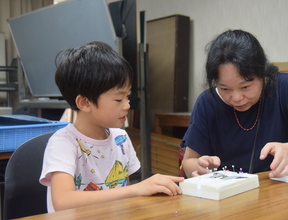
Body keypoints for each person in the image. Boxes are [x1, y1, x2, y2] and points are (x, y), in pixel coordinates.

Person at [40, 41, 183, 212]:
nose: (127, 105)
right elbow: (63, 201)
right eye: (118, 99)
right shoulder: (63, 143)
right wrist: (136, 190)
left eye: (127, 97)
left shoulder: (120, 138)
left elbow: (124, 199)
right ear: (84, 102)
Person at [181, 29, 288, 179]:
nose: (237, 98)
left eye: (245, 87)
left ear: (263, 73)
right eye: (225, 88)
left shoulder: (287, 88)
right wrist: (199, 168)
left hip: (283, 193)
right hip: (229, 197)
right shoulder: (208, 102)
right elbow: (189, 161)